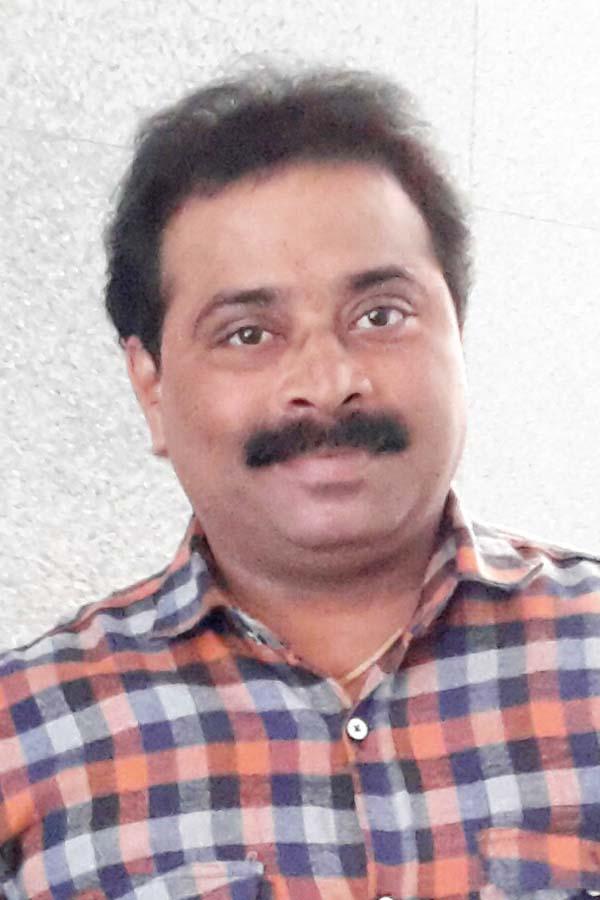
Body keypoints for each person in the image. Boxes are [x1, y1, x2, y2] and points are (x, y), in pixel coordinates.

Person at [1, 66, 599, 900]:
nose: (327, 382)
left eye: (381, 316)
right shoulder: (26, 733)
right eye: (249, 333)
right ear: (152, 386)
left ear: (458, 336)